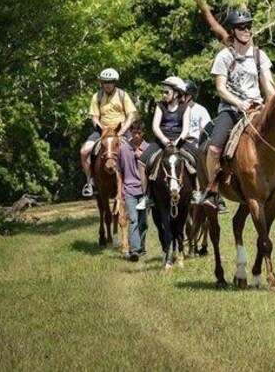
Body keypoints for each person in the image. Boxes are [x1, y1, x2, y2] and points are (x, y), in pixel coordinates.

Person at [201, 9, 275, 210]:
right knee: (214, 148)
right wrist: (238, 103)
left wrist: (271, 103)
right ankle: (212, 191)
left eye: (249, 26)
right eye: (241, 27)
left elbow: (268, 86)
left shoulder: (260, 56)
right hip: (231, 109)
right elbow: (220, 88)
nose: (246, 30)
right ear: (233, 31)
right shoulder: (224, 56)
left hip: (257, 108)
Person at [136, 76, 198, 210]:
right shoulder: (160, 107)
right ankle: (147, 196)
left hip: (179, 141)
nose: (164, 95)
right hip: (161, 141)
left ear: (176, 93)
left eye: (167, 92)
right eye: (163, 92)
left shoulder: (185, 108)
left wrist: (178, 141)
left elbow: (186, 128)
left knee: (198, 158)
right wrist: (164, 140)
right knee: (141, 162)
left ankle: (197, 192)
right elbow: (155, 127)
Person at [79, 68, 137, 197]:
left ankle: (137, 182)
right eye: (105, 82)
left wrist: (121, 132)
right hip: (102, 131)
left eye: (110, 82)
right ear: (101, 83)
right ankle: (90, 181)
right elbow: (94, 117)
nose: (107, 84)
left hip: (121, 131)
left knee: (135, 152)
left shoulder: (123, 95)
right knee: (84, 151)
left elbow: (131, 116)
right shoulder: (97, 96)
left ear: (115, 82)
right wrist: (102, 130)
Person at [119, 120, 149, 261]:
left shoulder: (148, 149)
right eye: (134, 132)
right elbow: (119, 171)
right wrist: (120, 191)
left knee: (143, 222)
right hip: (129, 190)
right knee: (133, 220)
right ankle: (134, 250)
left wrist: (141, 158)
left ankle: (142, 248)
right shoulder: (123, 149)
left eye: (139, 133)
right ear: (130, 132)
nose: (136, 135)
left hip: (144, 191)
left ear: (143, 133)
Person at [182, 79, 212, 204]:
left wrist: (194, 137)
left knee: (200, 159)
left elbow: (205, 130)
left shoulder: (201, 110)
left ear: (191, 95)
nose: (181, 97)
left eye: (184, 94)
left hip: (195, 142)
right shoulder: (177, 109)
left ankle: (200, 190)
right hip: (179, 142)